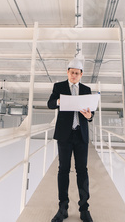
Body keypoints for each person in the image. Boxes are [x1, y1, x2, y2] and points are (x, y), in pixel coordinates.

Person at [47, 58, 94, 222]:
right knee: (63, 170)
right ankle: (63, 208)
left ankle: (84, 209)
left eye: (77, 73)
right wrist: (60, 101)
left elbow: (90, 112)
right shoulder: (59, 87)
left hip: (80, 135)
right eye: (71, 72)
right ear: (67, 72)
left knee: (82, 171)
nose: (74, 75)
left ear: (81, 75)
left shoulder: (87, 89)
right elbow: (50, 103)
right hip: (64, 136)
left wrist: (89, 116)